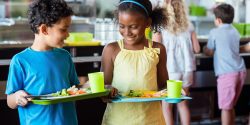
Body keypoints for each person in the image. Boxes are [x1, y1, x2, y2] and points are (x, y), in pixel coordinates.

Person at [5, 0, 80, 125]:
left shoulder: (65, 56)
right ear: (44, 29)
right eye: (63, 29)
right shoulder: (20, 61)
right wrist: (17, 97)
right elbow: (10, 101)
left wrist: (91, 86)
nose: (68, 34)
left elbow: (75, 90)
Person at [101, 0, 169, 124]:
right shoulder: (111, 50)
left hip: (151, 120)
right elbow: (103, 88)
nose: (127, 32)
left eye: (133, 27)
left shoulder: (158, 49)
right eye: (122, 26)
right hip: (118, 120)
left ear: (148, 23)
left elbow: (163, 85)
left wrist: (174, 92)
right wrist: (107, 91)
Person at [152, 0, 200, 124]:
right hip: (187, 70)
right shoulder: (189, 25)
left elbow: (155, 49)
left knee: (167, 107)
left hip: (170, 71)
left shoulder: (161, 25)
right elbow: (197, 49)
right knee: (182, 105)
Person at [203, 3, 246, 125]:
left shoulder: (214, 32)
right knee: (230, 106)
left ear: (218, 20)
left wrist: (205, 49)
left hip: (227, 75)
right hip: (240, 71)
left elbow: (210, 51)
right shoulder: (235, 31)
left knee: (225, 108)